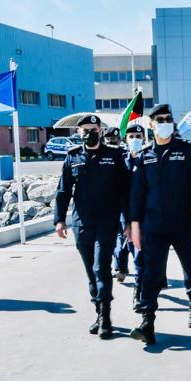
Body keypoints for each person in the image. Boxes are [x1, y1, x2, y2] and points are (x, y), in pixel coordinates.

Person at [128, 104, 191, 345]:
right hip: (154, 225)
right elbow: (137, 193)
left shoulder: (186, 150)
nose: (165, 123)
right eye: (160, 120)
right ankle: (147, 322)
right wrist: (134, 223)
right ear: (151, 124)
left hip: (185, 223)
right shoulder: (145, 155)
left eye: (168, 119)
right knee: (151, 274)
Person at [54, 114, 130, 339]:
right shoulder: (72, 157)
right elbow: (63, 191)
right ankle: (98, 312)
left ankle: (106, 317)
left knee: (101, 268)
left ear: (100, 131)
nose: (89, 133)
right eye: (85, 130)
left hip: (107, 222)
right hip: (82, 223)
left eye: (94, 130)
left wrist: (129, 220)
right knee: (91, 272)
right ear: (79, 133)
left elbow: (125, 190)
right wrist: (59, 220)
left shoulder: (114, 156)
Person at [113, 123, 146, 311]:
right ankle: (138, 293)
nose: (135, 140)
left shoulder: (149, 158)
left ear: (144, 138)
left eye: (138, 137)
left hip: (150, 216)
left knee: (147, 258)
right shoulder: (120, 160)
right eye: (131, 136)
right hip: (129, 218)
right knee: (138, 257)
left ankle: (146, 287)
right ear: (125, 139)